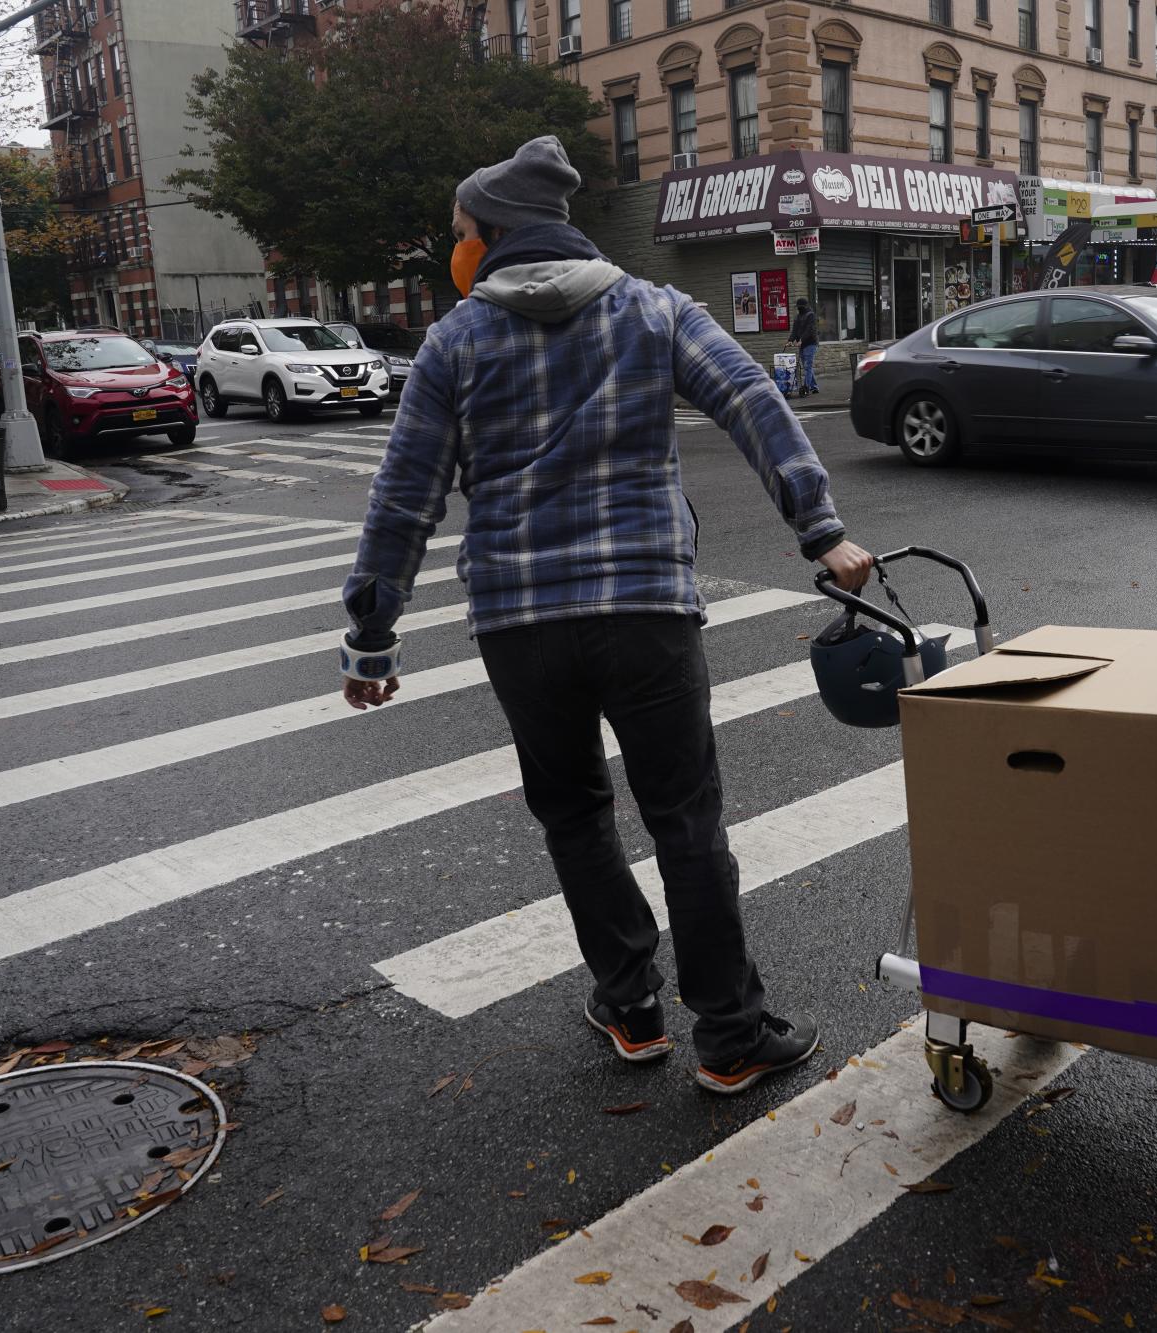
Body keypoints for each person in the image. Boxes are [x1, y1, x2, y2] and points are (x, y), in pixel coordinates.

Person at [339, 136, 876, 1094]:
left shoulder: (454, 342)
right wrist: (820, 529)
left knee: (576, 817)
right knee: (686, 819)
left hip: (518, 624)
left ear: (494, 235)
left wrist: (373, 634)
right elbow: (750, 397)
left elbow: (403, 497)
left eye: (460, 233)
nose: (456, 249)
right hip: (644, 610)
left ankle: (628, 1004)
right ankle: (730, 1032)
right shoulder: (655, 309)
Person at [787, 298, 820, 397]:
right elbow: (794, 330)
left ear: (805, 307)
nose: (799, 309)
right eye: (798, 307)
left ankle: (806, 387)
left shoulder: (811, 315)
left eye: (800, 307)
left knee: (807, 366)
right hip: (802, 344)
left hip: (810, 343)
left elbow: (810, 330)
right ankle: (814, 387)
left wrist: (801, 340)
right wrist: (790, 340)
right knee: (807, 366)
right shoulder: (797, 317)